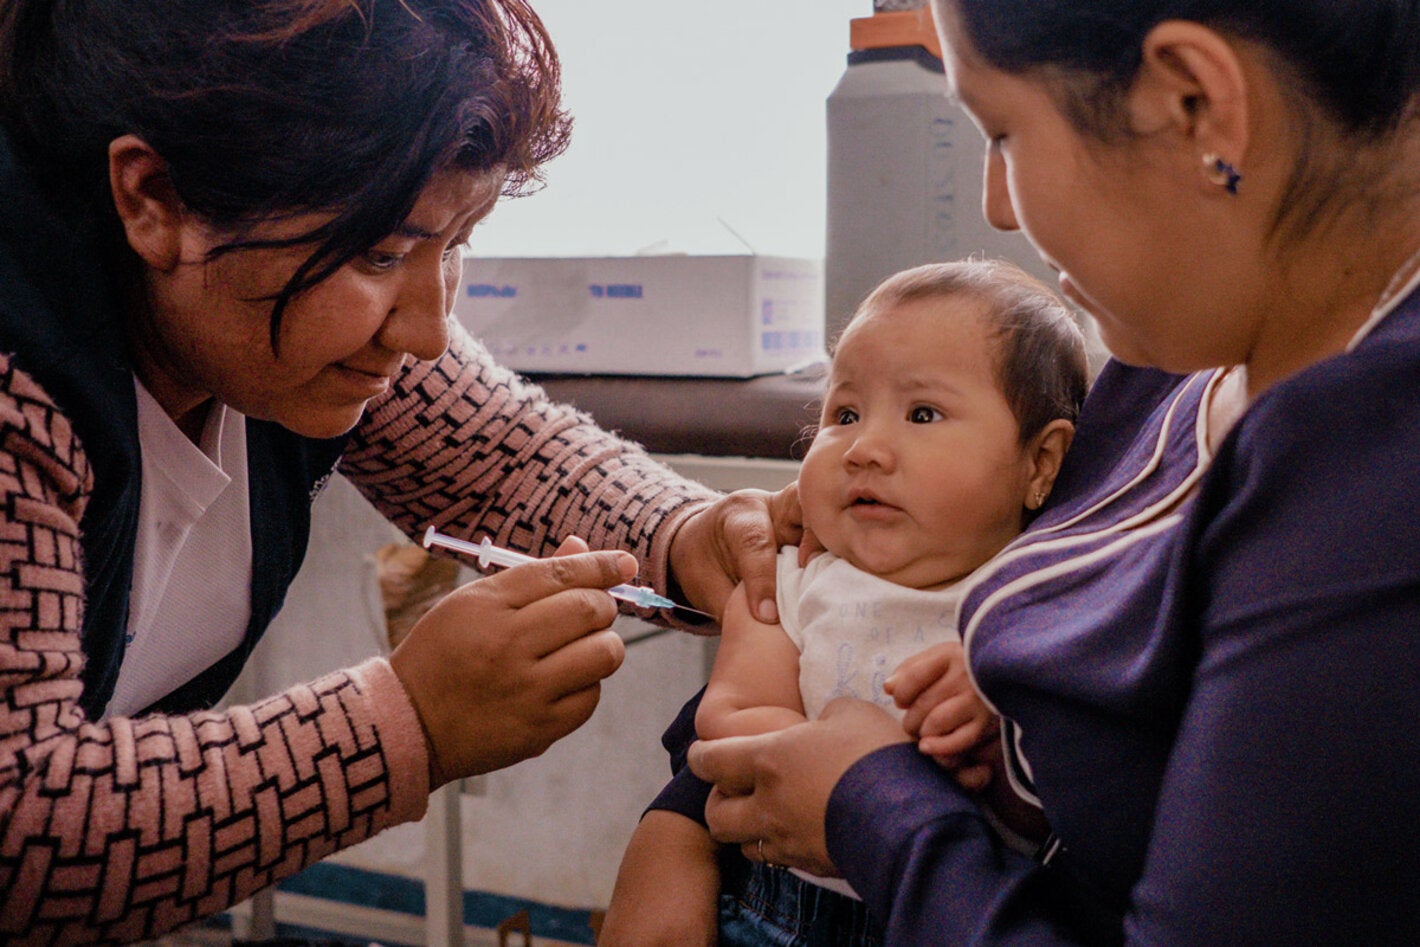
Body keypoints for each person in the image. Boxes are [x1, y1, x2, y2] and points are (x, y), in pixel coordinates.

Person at [0, 1, 800, 941]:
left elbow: (509, 462)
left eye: (452, 245)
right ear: (155, 198)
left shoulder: (273, 311)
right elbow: (19, 827)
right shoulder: (24, 365)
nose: (426, 331)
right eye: (381, 253)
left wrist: (686, 534)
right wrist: (406, 725)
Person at [687, 0, 1420, 943]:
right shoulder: (1171, 365)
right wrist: (676, 824)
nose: (997, 204)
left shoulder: (1374, 487)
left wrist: (874, 810)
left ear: (1195, 102)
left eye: (1003, 132)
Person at [599, 259, 1087, 945]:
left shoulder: (1045, 596)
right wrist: (857, 767)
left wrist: (998, 718)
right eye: (844, 412)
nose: (865, 448)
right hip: (781, 913)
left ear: (1040, 463)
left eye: (923, 413)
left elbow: (1073, 772)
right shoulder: (797, 579)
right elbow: (729, 718)